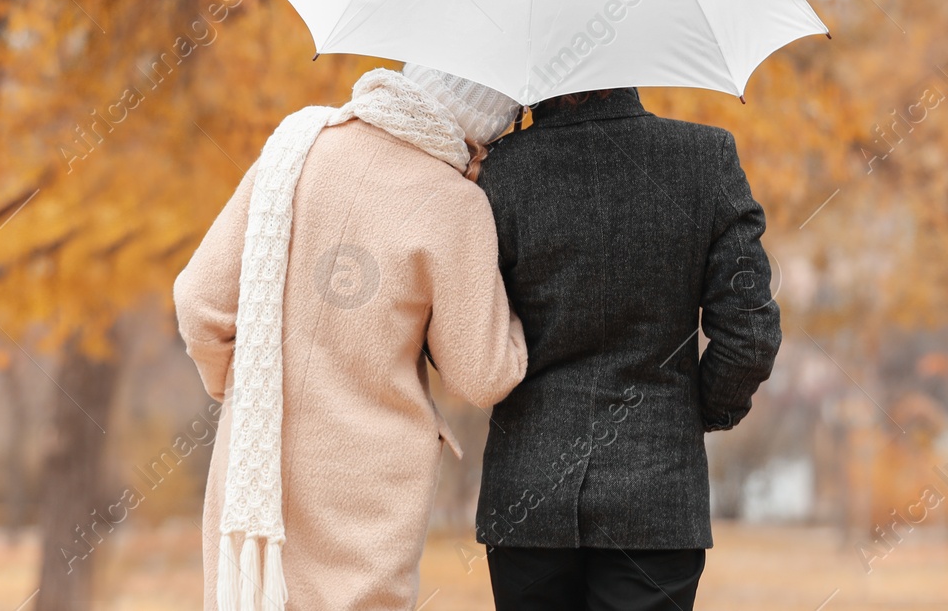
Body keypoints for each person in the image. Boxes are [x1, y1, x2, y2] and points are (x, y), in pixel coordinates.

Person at [174, 63, 529, 611]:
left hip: (252, 477)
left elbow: (200, 302)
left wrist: (252, 395)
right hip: (367, 492)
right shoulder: (456, 206)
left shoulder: (297, 148)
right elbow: (484, 374)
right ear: (485, 124)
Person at [474, 88, 782, 611]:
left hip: (527, 497)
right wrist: (691, 415)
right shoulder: (706, 158)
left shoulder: (497, 173)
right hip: (657, 498)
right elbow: (749, 333)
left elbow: (465, 339)